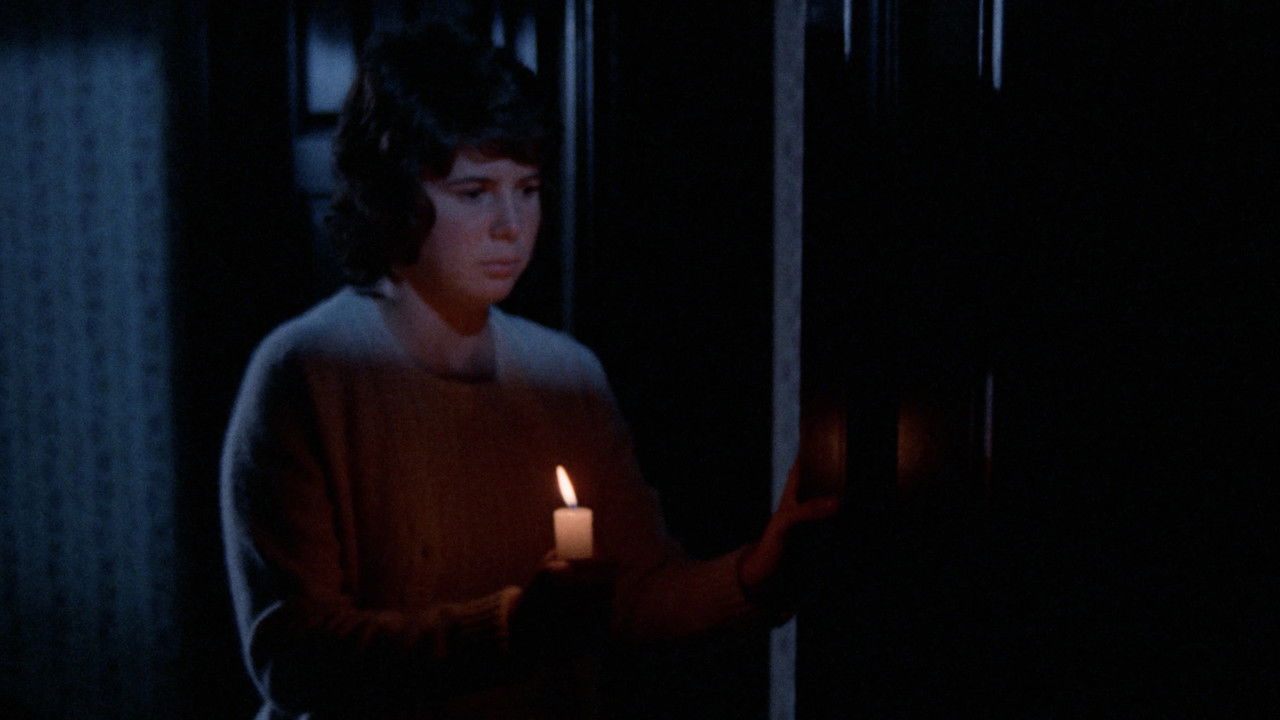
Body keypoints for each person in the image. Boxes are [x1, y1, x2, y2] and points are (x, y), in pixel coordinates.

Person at [220, 23, 836, 719]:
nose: (512, 225)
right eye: (475, 192)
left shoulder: (566, 375)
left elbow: (633, 591)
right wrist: (511, 629)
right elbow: (294, 657)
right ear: (391, 196)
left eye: (529, 188)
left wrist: (756, 575)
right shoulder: (308, 372)